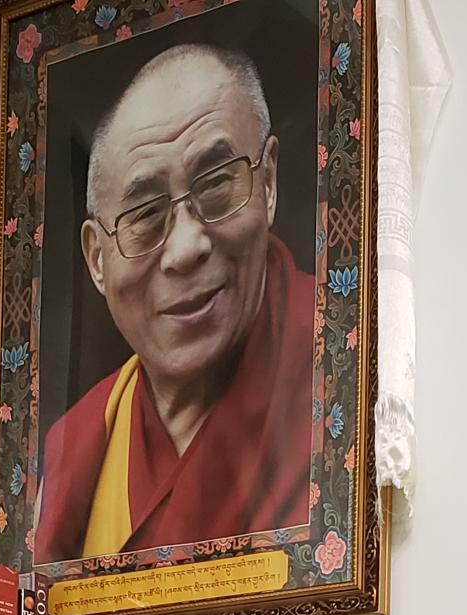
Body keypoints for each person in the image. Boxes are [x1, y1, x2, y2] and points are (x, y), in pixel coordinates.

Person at [33, 44, 314, 563]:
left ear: (268, 182)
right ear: (97, 259)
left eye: (217, 184)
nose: (186, 248)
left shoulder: (344, 371)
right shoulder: (73, 446)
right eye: (144, 213)